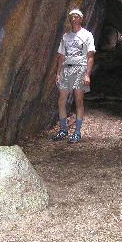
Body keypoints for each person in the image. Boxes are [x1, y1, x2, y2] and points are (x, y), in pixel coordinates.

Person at [53, 8, 96, 143]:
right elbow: (61, 56)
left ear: (81, 19)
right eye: (71, 16)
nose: (73, 18)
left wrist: (87, 74)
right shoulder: (66, 36)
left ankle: (77, 132)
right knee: (61, 100)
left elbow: (90, 56)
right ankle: (63, 129)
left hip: (80, 69)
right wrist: (58, 73)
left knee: (78, 101)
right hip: (66, 69)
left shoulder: (87, 35)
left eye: (76, 16)